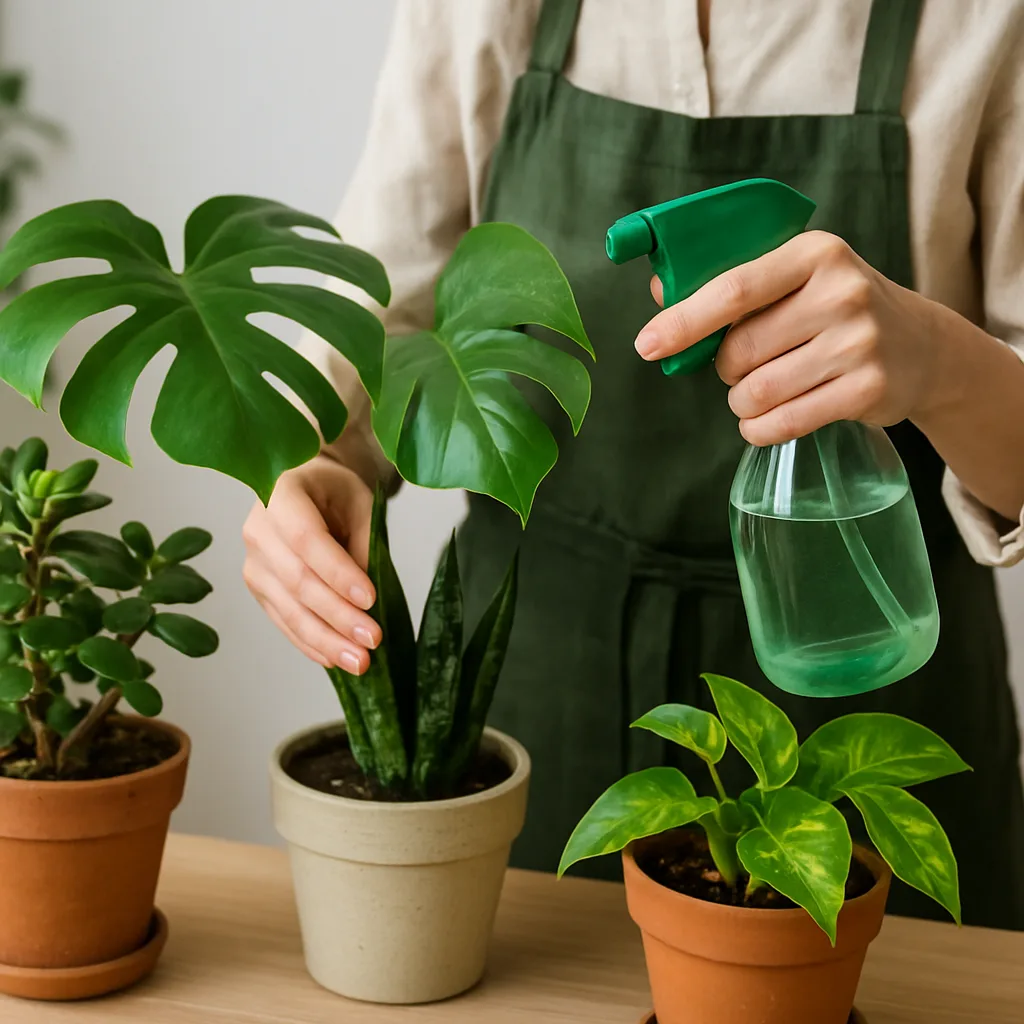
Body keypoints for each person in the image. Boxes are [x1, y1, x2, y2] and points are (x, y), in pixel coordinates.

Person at [242, 0, 1024, 929]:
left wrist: (936, 361)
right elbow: (391, 310)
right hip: (536, 682)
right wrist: (325, 459)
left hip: (865, 678)